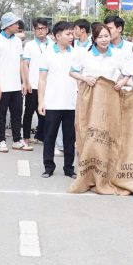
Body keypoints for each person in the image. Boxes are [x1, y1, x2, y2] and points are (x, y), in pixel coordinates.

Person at [38, 21, 76, 178]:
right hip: (52, 102)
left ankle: (69, 168)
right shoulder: (47, 53)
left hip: (71, 103)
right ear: (58, 36)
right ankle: (48, 167)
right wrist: (41, 101)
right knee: (50, 137)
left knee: (69, 138)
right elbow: (42, 79)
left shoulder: (75, 53)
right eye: (68, 34)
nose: (71, 37)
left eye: (72, 33)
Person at [0, 12, 30, 153]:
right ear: (8, 25)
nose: (18, 26)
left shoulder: (18, 41)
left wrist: (24, 82)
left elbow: (21, 63)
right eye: (15, 23)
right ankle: (1, 140)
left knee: (17, 113)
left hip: (16, 85)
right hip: (2, 86)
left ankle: (17, 140)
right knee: (1, 114)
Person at [22, 18, 50, 146]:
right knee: (29, 112)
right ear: (34, 30)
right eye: (38, 28)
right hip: (33, 84)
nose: (40, 31)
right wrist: (26, 82)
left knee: (45, 113)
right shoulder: (29, 45)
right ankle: (26, 137)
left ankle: (41, 136)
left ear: (47, 29)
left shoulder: (53, 44)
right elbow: (25, 65)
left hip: (48, 85)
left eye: (43, 28)